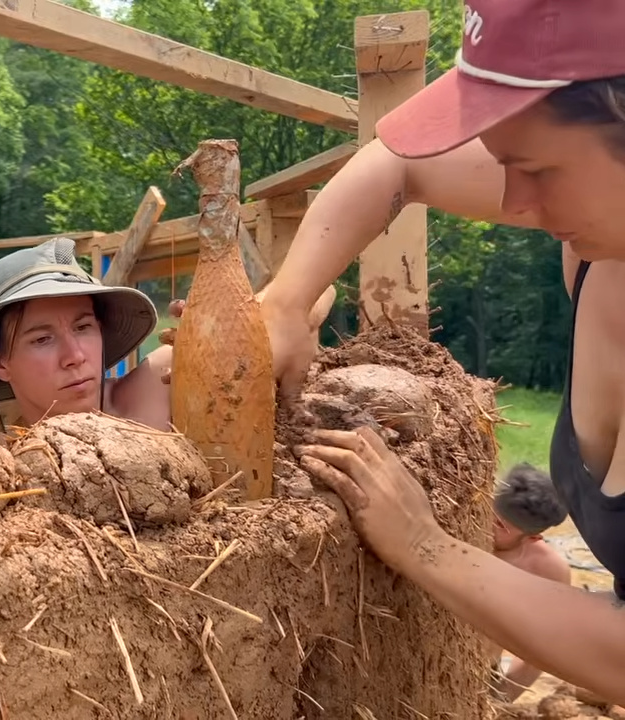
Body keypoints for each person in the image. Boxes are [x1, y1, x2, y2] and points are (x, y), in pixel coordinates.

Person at [262, 0, 625, 704]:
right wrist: (283, 302)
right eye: (502, 164)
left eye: (537, 169)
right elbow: (399, 166)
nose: (515, 203)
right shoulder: (598, 246)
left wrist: (425, 547)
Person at [0, 236, 333, 432]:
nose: (74, 355)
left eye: (83, 327)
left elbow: (317, 294)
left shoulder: (159, 384)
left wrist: (224, 329)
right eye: (42, 339)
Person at [489, 463, 572, 701]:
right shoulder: (460, 526)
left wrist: (498, 701)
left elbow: (543, 650)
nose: (485, 522)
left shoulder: (547, 572)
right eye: (489, 510)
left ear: (532, 536)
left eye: (500, 526)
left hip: (479, 674)